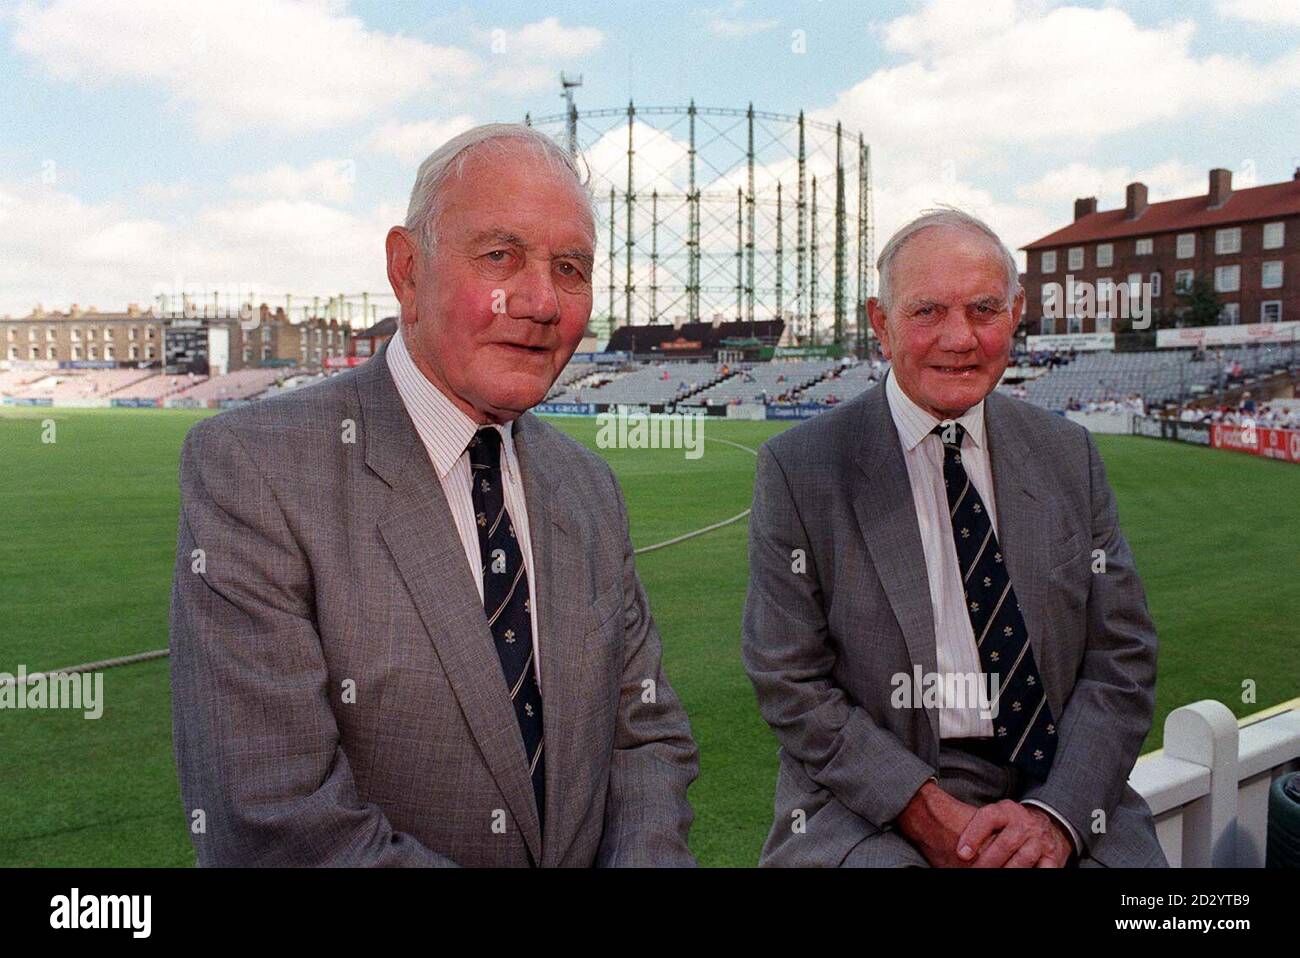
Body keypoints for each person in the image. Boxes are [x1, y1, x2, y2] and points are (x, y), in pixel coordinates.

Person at [169, 123, 699, 867]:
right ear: (407, 271)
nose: (543, 301)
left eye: (571, 268)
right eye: (500, 256)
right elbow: (276, 819)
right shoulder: (255, 469)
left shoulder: (588, 489)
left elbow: (646, 738)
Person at [742, 209, 1165, 867]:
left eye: (984, 310)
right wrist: (921, 807)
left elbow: (1122, 656)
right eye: (928, 312)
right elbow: (790, 679)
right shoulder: (800, 468)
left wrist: (1056, 817)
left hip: (1055, 778)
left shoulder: (1067, 453)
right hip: (876, 791)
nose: (960, 338)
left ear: (1016, 314)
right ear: (880, 324)